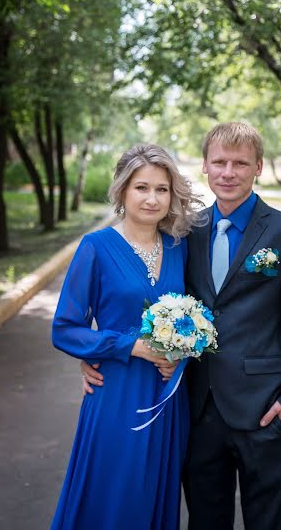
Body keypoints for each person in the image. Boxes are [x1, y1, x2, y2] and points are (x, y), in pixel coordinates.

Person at [82, 122, 281, 530]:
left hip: (266, 410)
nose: (228, 172)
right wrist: (98, 354)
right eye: (219, 162)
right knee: (205, 521)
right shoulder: (183, 233)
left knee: (269, 522)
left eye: (240, 163)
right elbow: (146, 300)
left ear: (258, 167)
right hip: (196, 410)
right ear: (206, 167)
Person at [51, 144, 203, 530]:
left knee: (154, 491)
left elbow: (192, 318)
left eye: (162, 189)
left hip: (167, 394)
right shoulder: (96, 248)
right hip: (116, 391)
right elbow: (65, 328)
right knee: (113, 491)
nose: (152, 199)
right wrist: (129, 346)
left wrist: (179, 355)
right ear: (122, 190)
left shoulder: (178, 248)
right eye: (142, 187)